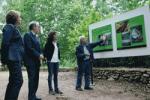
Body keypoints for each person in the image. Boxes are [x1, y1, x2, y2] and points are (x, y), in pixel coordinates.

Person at [1, 10, 24, 100]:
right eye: (19, 17)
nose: (20, 19)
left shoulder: (12, 27)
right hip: (13, 58)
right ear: (15, 18)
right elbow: (5, 43)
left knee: (13, 81)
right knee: (18, 81)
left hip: (15, 58)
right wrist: (3, 59)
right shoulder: (9, 27)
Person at [24, 21, 43, 100]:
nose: (39, 28)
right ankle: (30, 97)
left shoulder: (37, 37)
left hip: (37, 62)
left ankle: (34, 96)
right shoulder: (27, 35)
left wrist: (41, 54)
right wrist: (38, 55)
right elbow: (29, 48)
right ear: (34, 27)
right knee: (32, 79)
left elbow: (39, 48)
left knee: (36, 79)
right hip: (30, 61)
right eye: (38, 26)